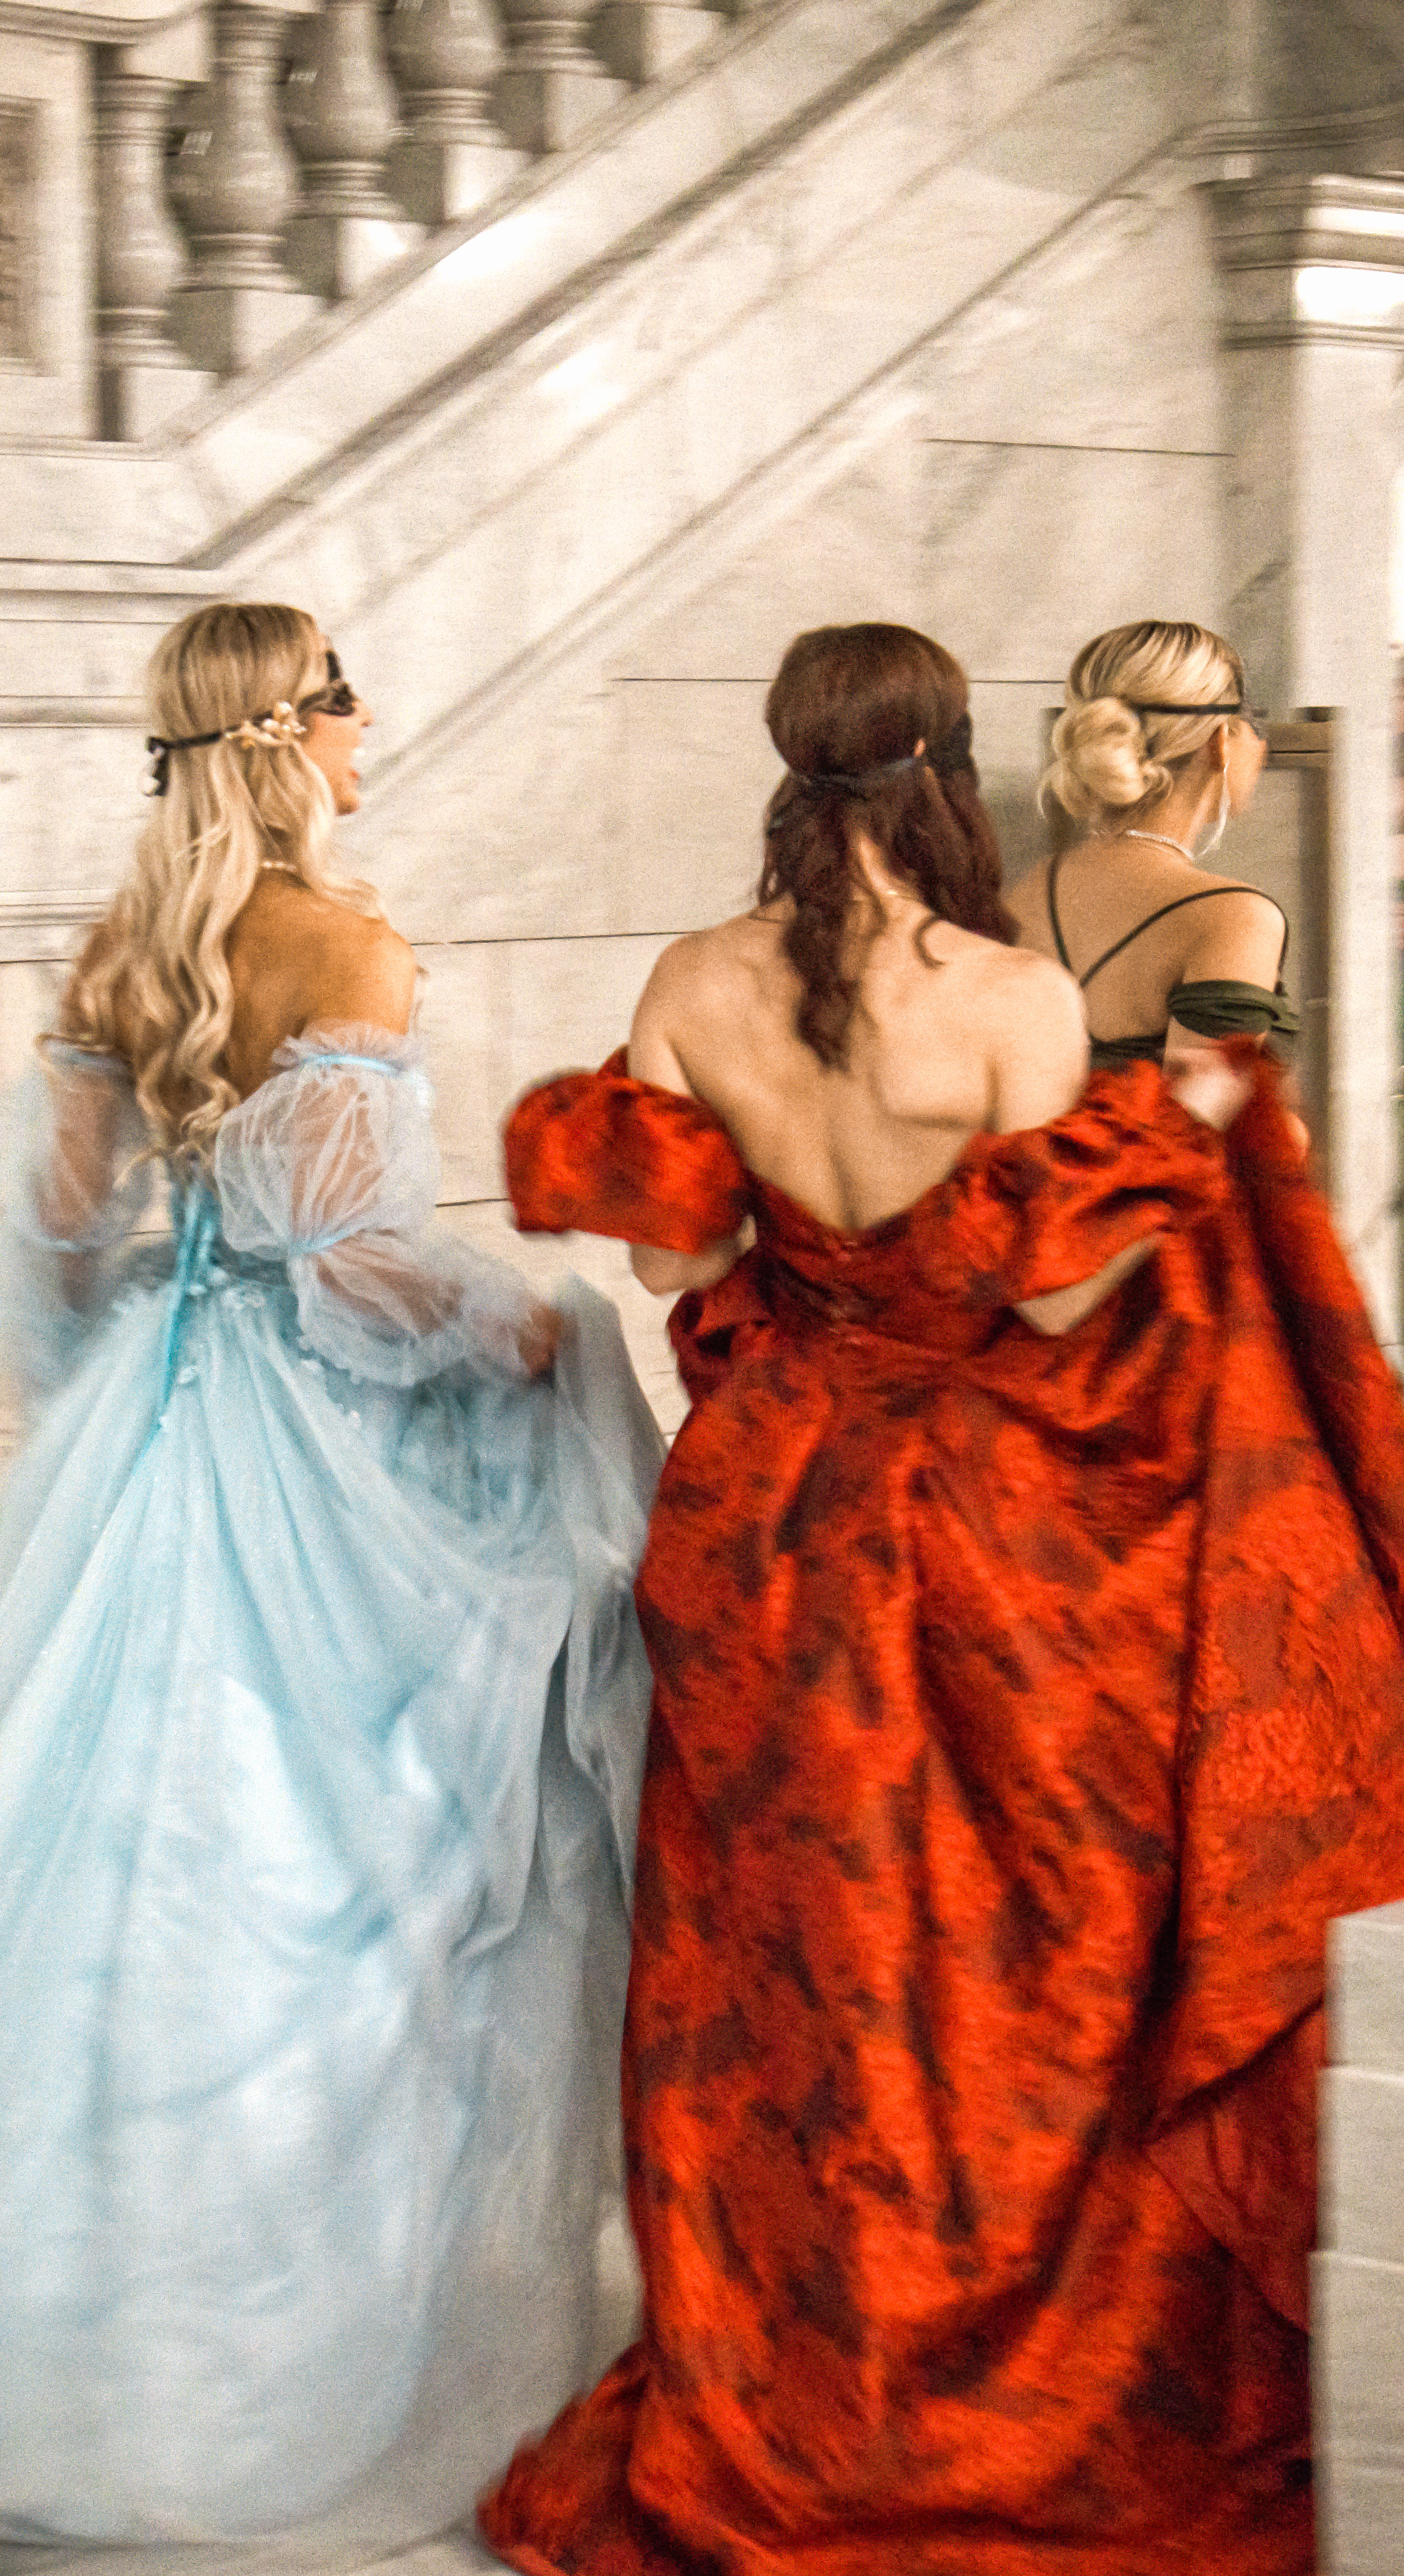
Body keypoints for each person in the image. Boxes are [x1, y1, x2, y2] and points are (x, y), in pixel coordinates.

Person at [0, 602, 662, 2559]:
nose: (369, 714)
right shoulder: (353, 945)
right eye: (341, 691)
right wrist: (532, 1329)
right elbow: (363, 1273)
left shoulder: (128, 944)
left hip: (156, 1426)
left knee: (117, 1862)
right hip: (313, 1454)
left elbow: (55, 1233)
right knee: (333, 1869)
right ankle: (247, 2369)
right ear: (283, 735)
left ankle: (43, 2333)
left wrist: (130, 1349)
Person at [479, 621, 1404, 2576]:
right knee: (1014, 1980)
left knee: (776, 1984)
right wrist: (1184, 1147)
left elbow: (674, 1269)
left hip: (760, 1531)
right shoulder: (1005, 998)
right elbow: (1056, 1299)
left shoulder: (690, 981)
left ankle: (794, 2383)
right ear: (947, 770)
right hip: (979, 1540)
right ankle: (994, 2369)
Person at [1006, 619, 1297, 1070]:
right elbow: (1194, 1129)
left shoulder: (1029, 891)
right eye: (1252, 721)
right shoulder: (1235, 917)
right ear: (1220, 742)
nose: (1261, 743)